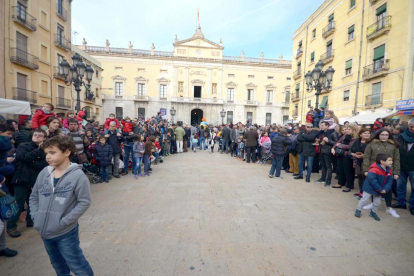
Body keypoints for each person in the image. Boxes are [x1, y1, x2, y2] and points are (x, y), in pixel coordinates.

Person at [29, 135, 93, 275]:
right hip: (45, 232)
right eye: (46, 153)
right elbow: (34, 197)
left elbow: (84, 202)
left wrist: (64, 222)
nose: (48, 157)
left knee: (77, 265)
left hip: (65, 232)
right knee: (58, 264)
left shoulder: (78, 176)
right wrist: (35, 216)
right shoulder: (44, 174)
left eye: (52, 152)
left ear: (67, 152)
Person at [6, 129, 48, 238]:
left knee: (33, 201)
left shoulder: (46, 149)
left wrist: (32, 161)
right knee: (18, 203)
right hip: (21, 178)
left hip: (35, 179)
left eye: (40, 135)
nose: (37, 137)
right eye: (35, 135)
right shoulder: (23, 146)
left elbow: (44, 163)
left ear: (44, 138)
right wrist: (38, 151)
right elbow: (23, 157)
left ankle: (31, 220)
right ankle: (11, 227)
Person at [362, 128, 400, 218]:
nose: (384, 136)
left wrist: (396, 172)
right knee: (373, 187)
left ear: (389, 136)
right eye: (382, 134)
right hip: (375, 170)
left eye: (386, 135)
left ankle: (389, 207)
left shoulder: (393, 145)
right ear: (378, 135)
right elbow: (367, 157)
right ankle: (372, 204)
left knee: (388, 189)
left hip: (388, 171)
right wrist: (366, 170)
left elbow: (397, 159)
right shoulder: (372, 144)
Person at [355, 154, 393, 221]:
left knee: (377, 202)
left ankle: (373, 212)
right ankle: (358, 209)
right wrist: (380, 189)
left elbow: (389, 181)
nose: (391, 162)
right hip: (369, 188)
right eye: (389, 160)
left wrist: (385, 189)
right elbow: (372, 181)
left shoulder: (389, 170)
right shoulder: (374, 170)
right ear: (382, 161)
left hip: (379, 189)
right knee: (364, 200)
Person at [393, 119, 414, 215]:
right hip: (401, 165)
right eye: (411, 127)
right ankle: (401, 203)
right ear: (408, 126)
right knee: (400, 186)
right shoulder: (401, 137)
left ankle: (412, 205)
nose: (413, 129)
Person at [331, 125, 357, 191]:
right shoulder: (344, 136)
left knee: (348, 171)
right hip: (340, 155)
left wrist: (340, 145)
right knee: (340, 170)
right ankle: (340, 183)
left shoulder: (355, 138)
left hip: (348, 156)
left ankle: (349, 185)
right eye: (346, 129)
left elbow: (350, 147)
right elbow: (337, 143)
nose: (346, 130)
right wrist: (333, 148)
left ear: (353, 130)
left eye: (349, 129)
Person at [315, 121, 337, 187]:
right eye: (320, 125)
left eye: (323, 125)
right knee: (323, 166)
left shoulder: (332, 133)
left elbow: (336, 143)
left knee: (328, 166)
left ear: (327, 126)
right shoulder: (321, 133)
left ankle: (328, 181)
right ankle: (322, 178)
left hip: (328, 151)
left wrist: (328, 141)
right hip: (321, 150)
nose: (321, 126)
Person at [350, 128, 371, 197]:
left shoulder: (371, 142)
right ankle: (361, 191)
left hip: (367, 162)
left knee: (365, 177)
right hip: (358, 161)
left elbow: (374, 153)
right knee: (360, 177)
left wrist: (364, 156)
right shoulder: (357, 141)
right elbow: (350, 151)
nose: (367, 134)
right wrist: (354, 154)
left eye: (368, 133)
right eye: (365, 133)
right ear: (360, 134)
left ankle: (365, 193)